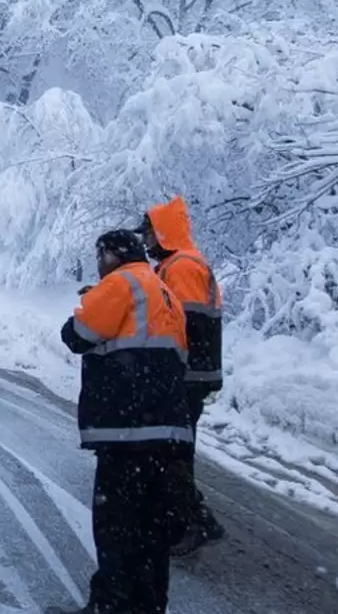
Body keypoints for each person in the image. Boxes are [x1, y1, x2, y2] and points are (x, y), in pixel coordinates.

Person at [47, 229, 193, 614]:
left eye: (100, 255)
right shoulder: (165, 293)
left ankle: (109, 607)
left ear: (111, 255)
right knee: (151, 534)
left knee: (116, 528)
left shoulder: (121, 283)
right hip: (168, 434)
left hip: (128, 433)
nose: (98, 263)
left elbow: (77, 335)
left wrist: (90, 301)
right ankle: (147, 607)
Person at [137, 196, 226, 557]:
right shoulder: (173, 265)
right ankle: (182, 518)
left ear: (163, 233)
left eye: (147, 233)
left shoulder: (183, 267)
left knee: (172, 452)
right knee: (170, 449)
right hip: (187, 375)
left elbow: (183, 325)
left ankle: (195, 521)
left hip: (187, 376)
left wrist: (168, 371)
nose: (144, 241)